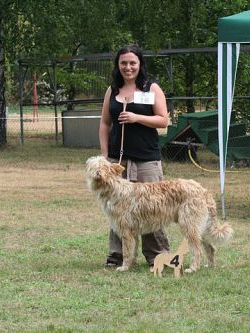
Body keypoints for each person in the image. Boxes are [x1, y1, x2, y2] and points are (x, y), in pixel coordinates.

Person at [99, 44, 170, 267]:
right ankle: (117, 256)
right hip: (117, 161)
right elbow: (104, 123)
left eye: (132, 63)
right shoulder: (112, 90)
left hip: (147, 159)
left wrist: (136, 118)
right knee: (117, 210)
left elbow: (163, 120)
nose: (128, 67)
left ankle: (157, 256)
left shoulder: (152, 88)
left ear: (140, 65)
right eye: (123, 63)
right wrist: (104, 157)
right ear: (118, 65)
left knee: (152, 208)